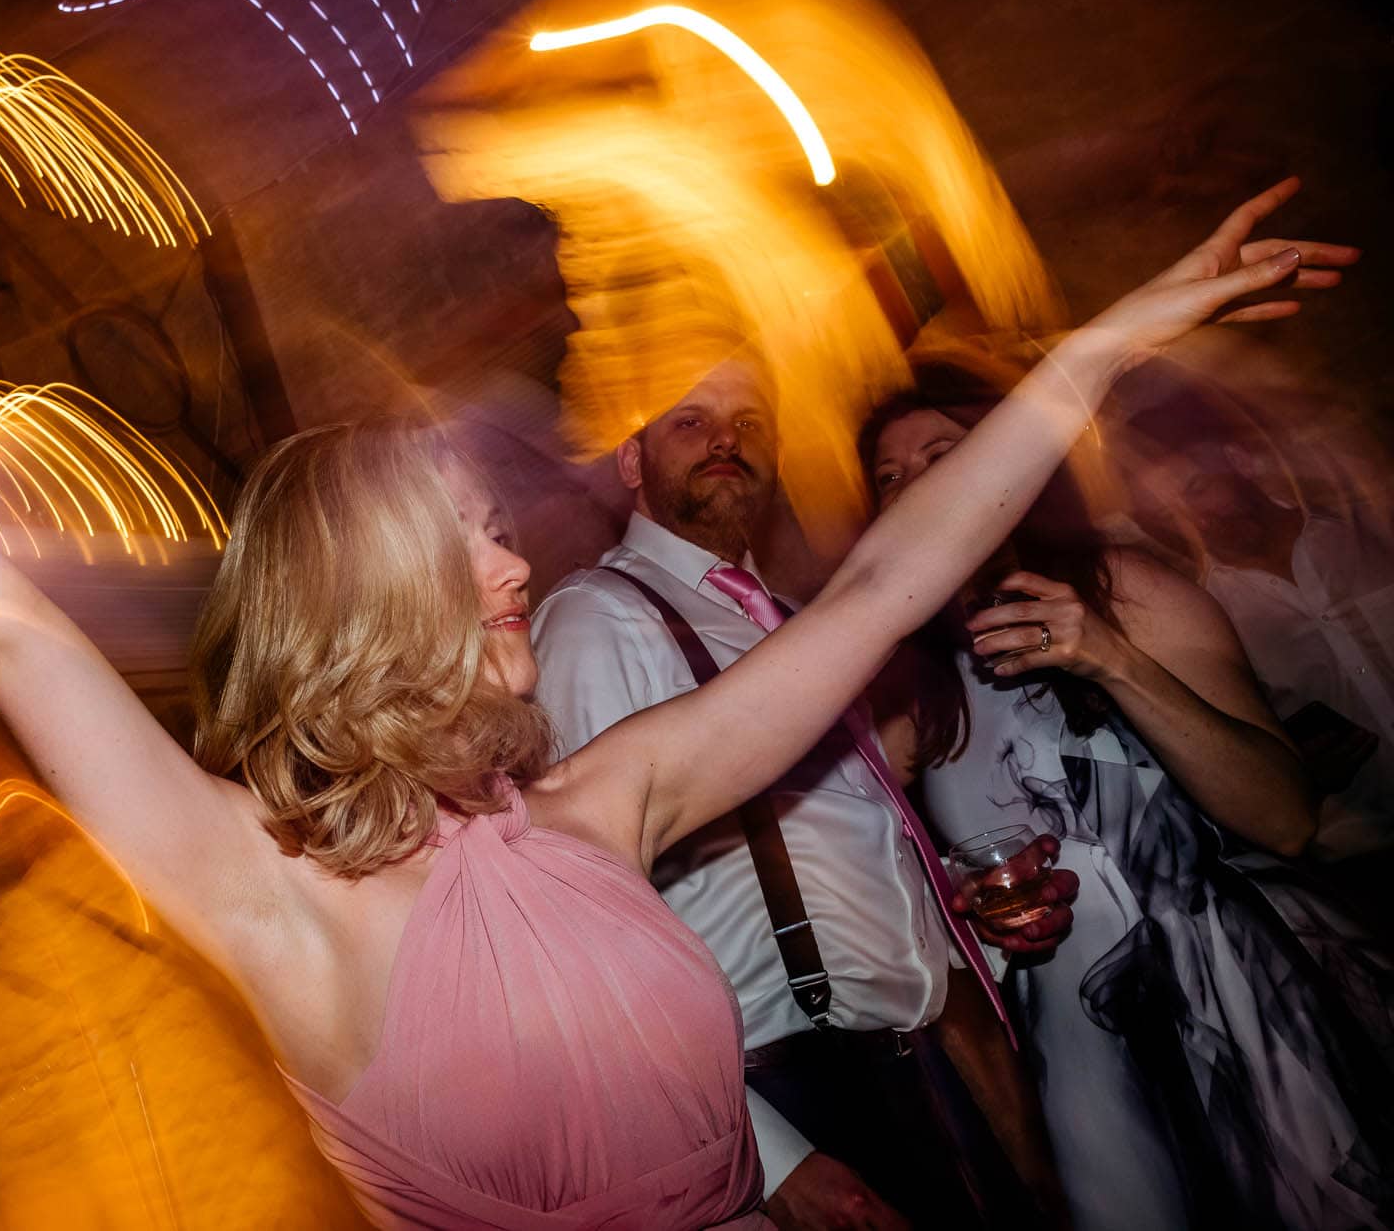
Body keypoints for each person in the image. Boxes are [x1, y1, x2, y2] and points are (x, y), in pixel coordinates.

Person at [0, 139, 1345, 1231]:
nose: (519, 565)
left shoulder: (609, 806)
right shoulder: (263, 900)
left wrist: (1096, 347)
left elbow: (901, 580)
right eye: (472, 557)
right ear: (363, 612)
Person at [531, 337, 1076, 1231]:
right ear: (630, 459)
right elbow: (588, 926)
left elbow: (839, 843)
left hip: (929, 1070)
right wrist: (772, 1158)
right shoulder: (599, 618)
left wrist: (957, 907)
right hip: (803, 1093)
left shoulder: (783, 619)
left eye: (748, 422)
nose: (725, 438)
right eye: (689, 420)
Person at [862, 361, 1394, 1231]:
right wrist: (973, 916)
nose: (920, 484)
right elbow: (883, 883)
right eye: (890, 477)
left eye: (945, 453)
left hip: (1242, 1001)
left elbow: (1285, 816)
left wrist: (1109, 657)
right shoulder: (911, 687)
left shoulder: (1124, 589)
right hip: (1081, 1045)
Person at [1119, 388, 1394, 879]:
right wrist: (1297, 769)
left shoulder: (1366, 525)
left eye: (1198, 488)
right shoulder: (1200, 615)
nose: (1196, 521)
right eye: (1167, 517)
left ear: (1239, 460)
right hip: (1365, 862)